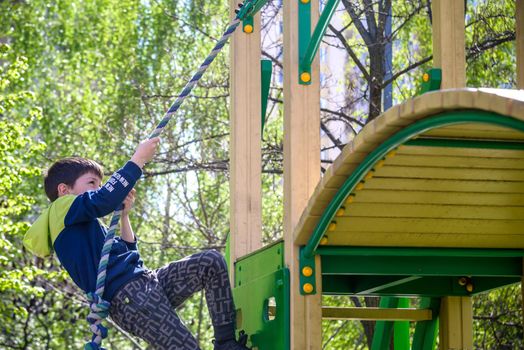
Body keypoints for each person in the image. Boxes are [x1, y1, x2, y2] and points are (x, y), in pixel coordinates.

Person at [23, 137, 249, 350]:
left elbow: (130, 254)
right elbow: (104, 200)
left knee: (209, 262)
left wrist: (124, 217)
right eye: (92, 182)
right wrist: (137, 159)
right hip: (129, 297)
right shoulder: (61, 209)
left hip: (147, 282)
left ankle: (226, 342)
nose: (98, 188)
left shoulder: (83, 224)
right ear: (64, 190)